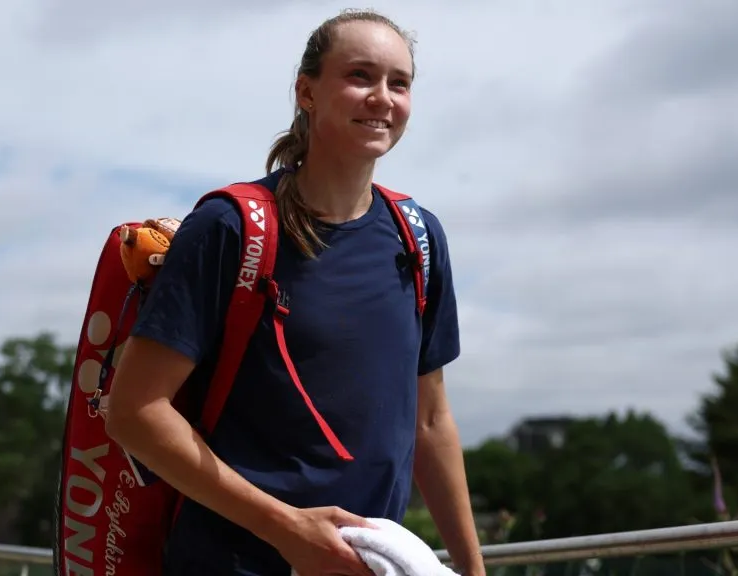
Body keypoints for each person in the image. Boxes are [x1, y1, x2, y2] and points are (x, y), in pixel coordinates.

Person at [105, 9, 484, 576]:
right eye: (360, 76)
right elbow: (134, 411)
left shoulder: (420, 236)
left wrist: (473, 570)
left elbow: (431, 424)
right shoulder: (232, 227)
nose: (382, 98)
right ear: (306, 91)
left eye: (399, 83)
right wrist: (288, 531)